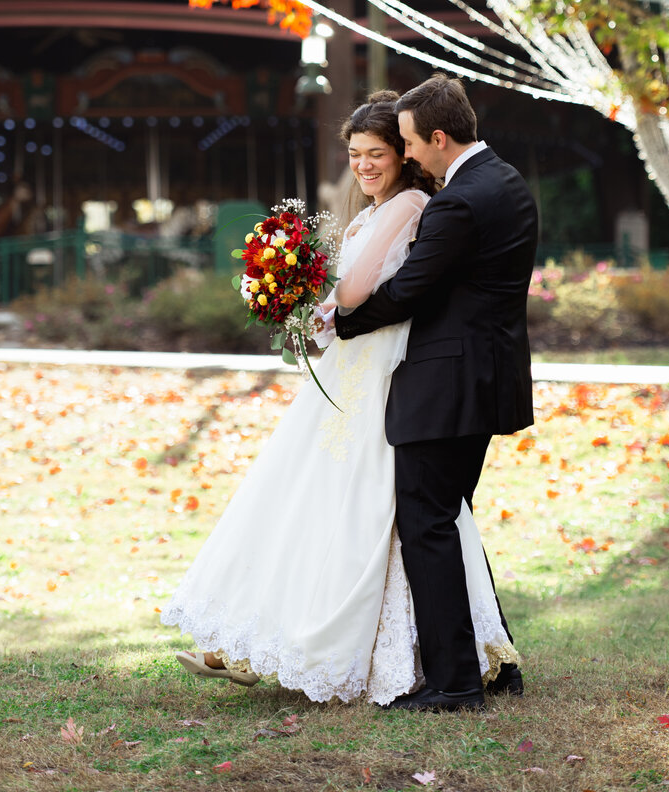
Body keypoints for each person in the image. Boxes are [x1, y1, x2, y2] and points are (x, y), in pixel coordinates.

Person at [163, 90, 519, 704]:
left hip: (385, 374)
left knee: (388, 514)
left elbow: (362, 291)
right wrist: (303, 300)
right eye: (355, 154)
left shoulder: (414, 203)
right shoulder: (379, 210)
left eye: (381, 151)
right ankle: (264, 636)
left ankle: (428, 661)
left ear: (412, 152)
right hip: (358, 368)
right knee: (321, 504)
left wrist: (302, 284)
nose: (367, 164)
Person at [334, 74, 538, 712]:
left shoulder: (457, 201)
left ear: (439, 137)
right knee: (451, 519)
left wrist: (339, 322)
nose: (407, 155)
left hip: (445, 382)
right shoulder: (507, 182)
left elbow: (410, 289)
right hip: (487, 375)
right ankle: (492, 661)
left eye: (409, 144)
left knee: (426, 522)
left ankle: (453, 683)